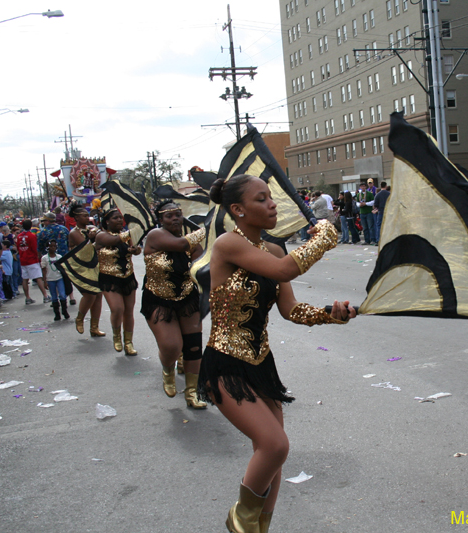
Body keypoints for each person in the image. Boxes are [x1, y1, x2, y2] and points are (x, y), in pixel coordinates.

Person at [196, 174, 355, 533]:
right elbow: (286, 270)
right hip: (226, 363)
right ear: (238, 210)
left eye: (271, 198)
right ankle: (239, 520)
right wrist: (326, 239)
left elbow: (291, 311)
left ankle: (257, 527)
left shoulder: (274, 250)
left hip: (261, 364)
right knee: (274, 445)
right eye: (261, 199)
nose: (272, 204)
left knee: (272, 459)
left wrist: (331, 314)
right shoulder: (227, 245)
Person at [141, 200, 207, 408]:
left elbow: (202, 267)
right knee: (172, 346)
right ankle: (168, 368)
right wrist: (209, 226)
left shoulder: (191, 243)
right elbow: (181, 245)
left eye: (178, 214)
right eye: (169, 215)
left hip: (187, 298)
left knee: (194, 346)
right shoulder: (155, 236)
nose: (175, 218)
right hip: (159, 298)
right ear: (160, 220)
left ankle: (192, 393)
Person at [95, 208, 141, 355]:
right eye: (115, 218)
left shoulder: (127, 236)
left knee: (129, 311)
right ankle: (117, 337)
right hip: (109, 278)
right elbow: (114, 241)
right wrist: (137, 229)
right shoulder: (101, 236)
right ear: (107, 221)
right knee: (117, 309)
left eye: (120, 218)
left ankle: (129, 342)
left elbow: (137, 248)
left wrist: (136, 250)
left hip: (128, 276)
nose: (119, 220)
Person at [67, 202, 106, 337]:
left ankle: (94, 327)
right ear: (76, 218)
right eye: (83, 216)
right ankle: (80, 318)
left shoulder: (91, 228)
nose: (87, 218)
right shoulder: (74, 233)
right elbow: (86, 248)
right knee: (90, 295)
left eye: (87, 215)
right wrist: (92, 239)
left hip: (95, 264)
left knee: (99, 295)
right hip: (82, 268)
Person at [38, 211, 75, 305]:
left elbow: (39, 247)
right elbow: (70, 242)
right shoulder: (64, 229)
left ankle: (58, 298)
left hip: (51, 258)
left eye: (44, 221)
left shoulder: (43, 232)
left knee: (54, 278)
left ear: (48, 221)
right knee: (66, 277)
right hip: (64, 257)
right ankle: (71, 296)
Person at [15, 219, 49, 305]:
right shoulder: (32, 236)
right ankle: (45, 296)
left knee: (25, 279)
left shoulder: (19, 236)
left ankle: (27, 297)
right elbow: (35, 248)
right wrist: (38, 257)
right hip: (32, 259)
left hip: (23, 259)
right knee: (38, 277)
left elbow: (18, 246)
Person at [40, 239, 71, 321]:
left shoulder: (59, 257)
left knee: (62, 294)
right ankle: (57, 313)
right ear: (47, 247)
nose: (53, 248)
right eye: (51, 246)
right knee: (54, 296)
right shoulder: (45, 258)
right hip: (50, 279)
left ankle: (64, 311)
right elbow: (44, 270)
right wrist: (45, 281)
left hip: (59, 278)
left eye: (54, 246)